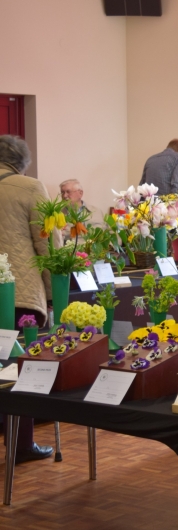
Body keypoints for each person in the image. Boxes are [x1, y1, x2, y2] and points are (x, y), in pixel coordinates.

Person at [0, 135, 54, 464]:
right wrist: (52, 294)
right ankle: (21, 445)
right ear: (22, 162)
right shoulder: (30, 187)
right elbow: (49, 244)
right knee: (21, 370)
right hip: (21, 295)